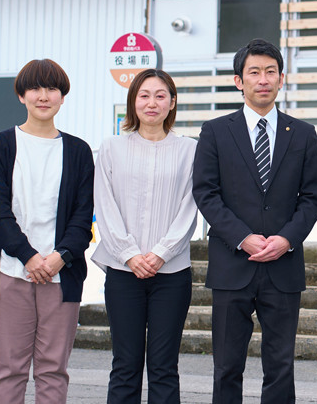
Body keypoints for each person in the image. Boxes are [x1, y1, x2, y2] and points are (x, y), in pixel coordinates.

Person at [192, 38, 317, 404]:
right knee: (227, 366)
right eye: (254, 72)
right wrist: (243, 237)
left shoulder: (302, 133)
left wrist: (286, 239)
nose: (263, 79)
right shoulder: (216, 131)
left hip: (283, 266)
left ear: (282, 79)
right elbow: (206, 193)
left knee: (280, 365)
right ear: (239, 81)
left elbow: (313, 197)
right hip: (233, 264)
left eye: (271, 72)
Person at [0, 59, 94, 404]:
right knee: (9, 369)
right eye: (35, 88)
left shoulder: (78, 151)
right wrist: (29, 257)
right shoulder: (0, 145)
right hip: (10, 271)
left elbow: (83, 217)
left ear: (63, 97)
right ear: (21, 95)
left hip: (62, 274)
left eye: (52, 88)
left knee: (53, 369)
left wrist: (59, 257)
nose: (43, 96)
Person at [92, 69, 199, 404]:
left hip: (172, 273)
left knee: (165, 365)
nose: (152, 103)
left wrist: (161, 252)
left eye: (160, 95)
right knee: (125, 364)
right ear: (133, 102)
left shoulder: (190, 150)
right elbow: (104, 205)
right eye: (144, 95)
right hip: (123, 272)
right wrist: (129, 254)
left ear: (172, 103)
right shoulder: (111, 148)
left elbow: (190, 206)